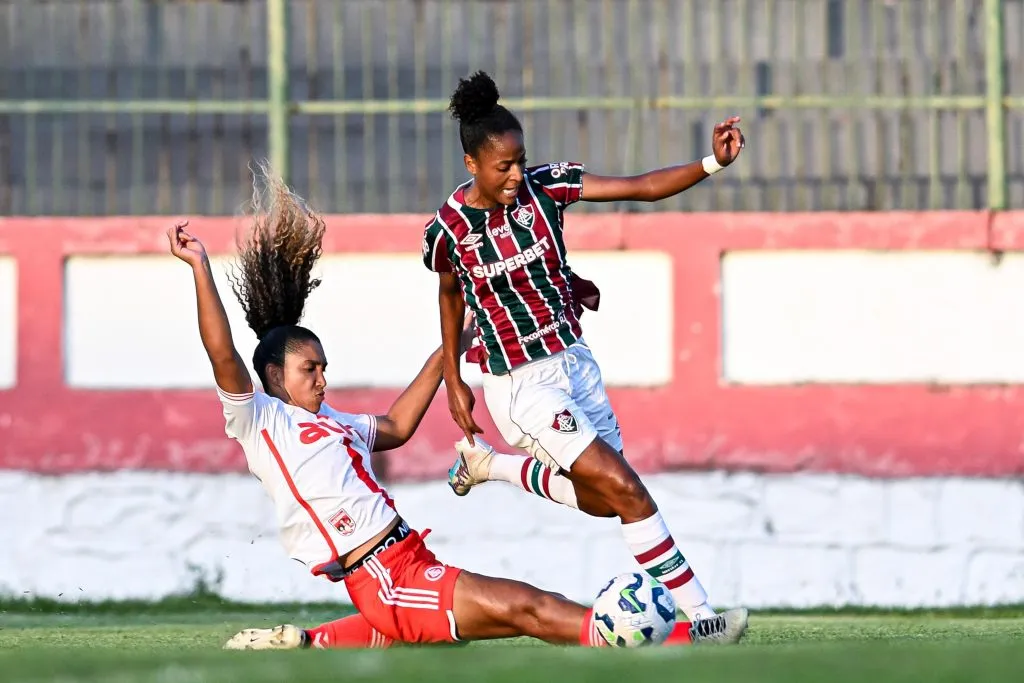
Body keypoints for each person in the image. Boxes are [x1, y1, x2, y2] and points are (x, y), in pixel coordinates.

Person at [168, 163, 747, 651]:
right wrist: (200, 268)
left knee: (514, 613)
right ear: (274, 376)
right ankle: (685, 638)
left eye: (323, 367)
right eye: (309, 370)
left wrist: (449, 354)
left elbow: (396, 426)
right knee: (530, 607)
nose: (323, 379)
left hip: (406, 560)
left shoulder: (331, 423)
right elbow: (223, 354)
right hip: (384, 578)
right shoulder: (261, 420)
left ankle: (306, 642)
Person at [422, 71, 746, 630]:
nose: (516, 174)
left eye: (521, 160)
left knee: (603, 500)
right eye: (504, 166)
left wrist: (711, 163)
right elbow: (451, 296)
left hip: (573, 360)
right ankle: (702, 619)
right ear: (472, 163)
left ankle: (491, 467)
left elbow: (641, 187)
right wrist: (454, 379)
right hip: (520, 385)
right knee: (627, 489)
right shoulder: (450, 228)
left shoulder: (546, 188)